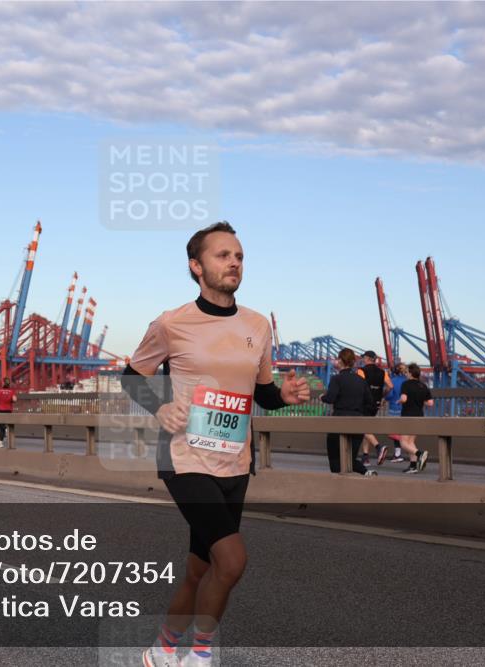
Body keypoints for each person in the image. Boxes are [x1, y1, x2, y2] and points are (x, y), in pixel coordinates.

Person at [121, 222, 311, 667]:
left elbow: (260, 391)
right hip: (184, 457)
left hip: (234, 461)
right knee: (231, 560)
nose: (234, 263)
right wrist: (159, 408)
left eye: (239, 256)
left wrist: (281, 397)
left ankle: (161, 651)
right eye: (223, 255)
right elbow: (133, 378)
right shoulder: (172, 323)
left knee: (200, 570)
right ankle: (199, 656)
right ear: (196, 266)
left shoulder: (257, 325)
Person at [320, 348, 377, 477]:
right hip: (357, 422)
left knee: (335, 460)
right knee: (350, 458)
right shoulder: (361, 380)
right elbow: (370, 403)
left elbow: (330, 398)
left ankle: (340, 486)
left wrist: (322, 397)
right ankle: (366, 472)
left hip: (338, 422)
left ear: (340, 361)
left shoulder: (337, 379)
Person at [356, 351, 393, 466]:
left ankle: (379, 447)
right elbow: (390, 386)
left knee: (361, 427)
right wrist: (382, 395)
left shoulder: (361, 371)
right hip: (376, 404)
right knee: (368, 428)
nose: (362, 360)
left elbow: (360, 386)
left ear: (367, 359)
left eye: (363, 358)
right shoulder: (382, 372)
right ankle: (365, 457)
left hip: (364, 403)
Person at [398, 363, 434, 474]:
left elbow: (404, 399)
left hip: (408, 416)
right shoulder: (423, 386)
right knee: (411, 442)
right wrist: (418, 400)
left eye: (406, 372)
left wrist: (399, 401)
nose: (406, 374)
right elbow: (430, 403)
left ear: (410, 373)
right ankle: (413, 466)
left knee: (403, 443)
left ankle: (420, 454)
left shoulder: (406, 384)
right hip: (419, 416)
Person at [385, 362, 408, 462]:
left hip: (394, 408)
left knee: (395, 433)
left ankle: (398, 454)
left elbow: (389, 396)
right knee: (404, 432)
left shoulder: (392, 381)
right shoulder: (407, 381)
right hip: (406, 409)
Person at [0, 378, 17, 448]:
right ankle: (7, 438)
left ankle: (0, 443)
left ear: (3, 383)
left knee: (1, 427)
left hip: (1, 410)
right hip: (9, 410)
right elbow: (15, 399)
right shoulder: (11, 391)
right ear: (9, 384)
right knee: (8, 424)